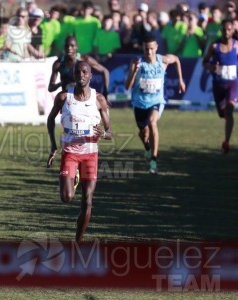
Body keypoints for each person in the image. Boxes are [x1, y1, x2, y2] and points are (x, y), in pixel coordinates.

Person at [47, 60, 112, 243]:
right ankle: (74, 177)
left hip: (90, 154)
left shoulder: (98, 99)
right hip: (70, 152)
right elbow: (51, 119)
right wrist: (53, 145)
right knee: (67, 197)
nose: (81, 75)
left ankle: (78, 241)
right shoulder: (63, 98)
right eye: (78, 72)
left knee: (87, 201)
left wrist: (104, 133)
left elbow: (110, 132)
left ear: (90, 75)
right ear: (74, 75)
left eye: (85, 72)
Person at [125, 34, 186, 174]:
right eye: (147, 49)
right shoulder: (137, 62)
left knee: (152, 123)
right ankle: (147, 148)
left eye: (152, 49)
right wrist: (134, 72)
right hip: (140, 103)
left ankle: (153, 160)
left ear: (156, 47)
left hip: (157, 101)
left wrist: (181, 80)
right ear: (143, 48)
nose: (150, 52)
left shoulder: (163, 60)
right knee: (143, 134)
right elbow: (127, 87)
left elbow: (176, 59)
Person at [202, 19, 238, 154]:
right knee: (221, 113)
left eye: (229, 29)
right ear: (221, 30)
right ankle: (224, 116)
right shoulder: (214, 46)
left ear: (233, 31)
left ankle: (226, 142)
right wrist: (211, 66)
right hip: (218, 85)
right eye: (224, 29)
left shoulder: (237, 45)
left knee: (229, 111)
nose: (226, 32)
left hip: (232, 83)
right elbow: (204, 62)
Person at [48, 35, 109, 100]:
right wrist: (61, 83)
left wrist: (105, 92)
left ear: (76, 47)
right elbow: (50, 88)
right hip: (68, 101)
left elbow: (105, 71)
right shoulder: (58, 63)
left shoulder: (85, 59)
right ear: (64, 47)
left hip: (84, 99)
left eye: (72, 45)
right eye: (67, 46)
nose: (69, 48)